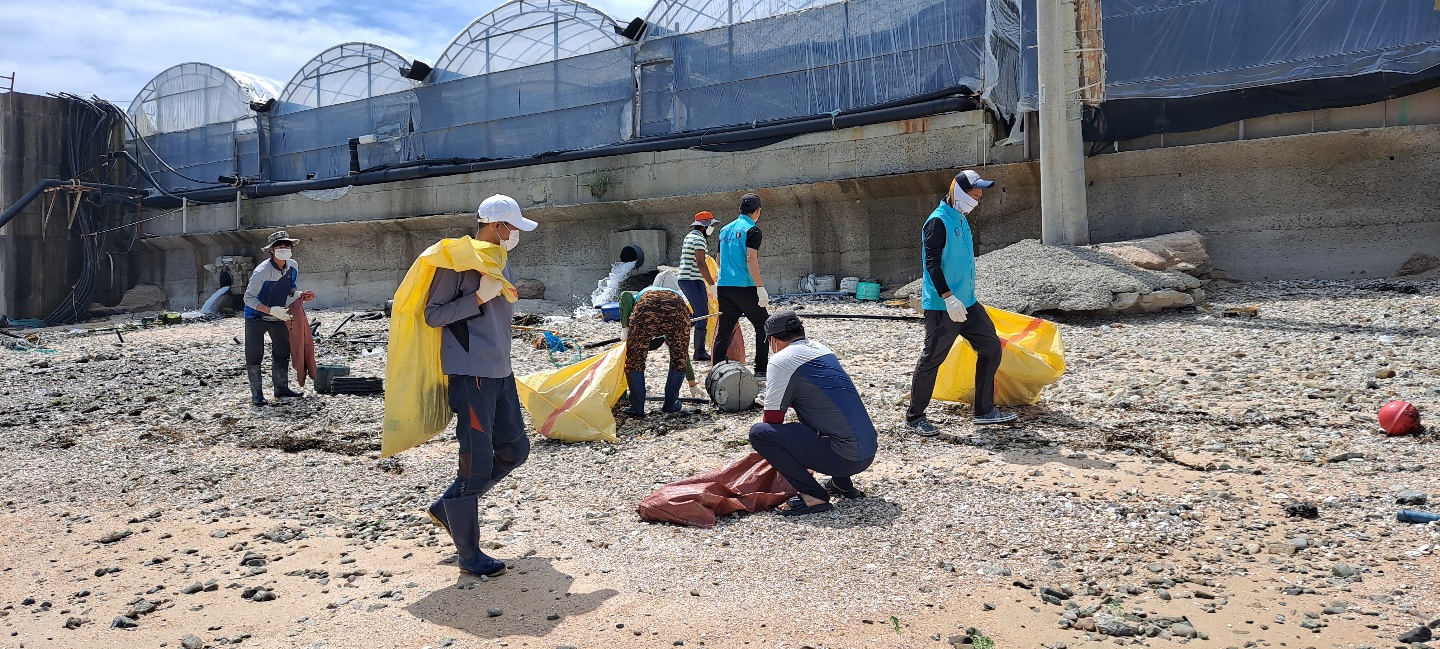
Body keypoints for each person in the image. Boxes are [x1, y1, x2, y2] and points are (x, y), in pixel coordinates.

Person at [421, 195, 536, 578]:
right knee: (477, 460)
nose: (516, 233)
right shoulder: (456, 262)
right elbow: (433, 315)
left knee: (516, 448)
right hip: (471, 375)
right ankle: (469, 554)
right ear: (495, 225)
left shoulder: (499, 260)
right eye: (513, 226)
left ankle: (447, 507)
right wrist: (477, 297)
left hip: (500, 372)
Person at [906, 170, 1017, 436]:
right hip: (943, 306)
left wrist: (962, 299)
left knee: (991, 347)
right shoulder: (937, 222)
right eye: (974, 193)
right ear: (957, 191)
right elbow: (931, 265)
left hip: (968, 303)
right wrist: (948, 297)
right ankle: (915, 417)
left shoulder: (962, 219)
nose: (978, 198)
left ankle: (984, 410)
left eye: (980, 194)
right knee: (933, 358)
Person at [748, 311, 876, 516]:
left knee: (760, 433)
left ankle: (813, 495)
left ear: (773, 340)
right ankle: (842, 483)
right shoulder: (822, 349)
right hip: (867, 452)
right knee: (821, 415)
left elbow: (772, 419)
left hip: (845, 457)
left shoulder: (781, 360)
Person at [242, 230, 315, 406]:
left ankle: (281, 388)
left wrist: (298, 293)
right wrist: (269, 310)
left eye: (286, 246)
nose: (283, 249)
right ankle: (257, 395)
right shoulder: (262, 271)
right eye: (279, 246)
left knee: (282, 353)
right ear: (271, 251)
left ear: (291, 248)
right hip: (256, 317)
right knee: (254, 355)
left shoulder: (293, 266)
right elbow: (248, 298)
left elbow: (290, 286)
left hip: (279, 316)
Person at [618, 273, 703, 417]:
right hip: (678, 308)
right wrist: (692, 383)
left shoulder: (644, 292)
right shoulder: (675, 293)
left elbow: (625, 296)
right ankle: (670, 404)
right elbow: (683, 356)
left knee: (635, 360)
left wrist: (625, 327)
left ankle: (637, 407)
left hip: (647, 307)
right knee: (679, 357)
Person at [712, 193, 771, 379]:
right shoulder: (752, 230)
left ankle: (717, 372)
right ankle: (761, 370)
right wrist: (760, 287)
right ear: (758, 211)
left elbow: (718, 260)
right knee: (763, 325)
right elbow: (751, 258)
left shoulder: (724, 230)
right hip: (745, 287)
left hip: (724, 286)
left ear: (740, 210)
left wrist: (719, 281)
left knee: (724, 331)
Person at [676, 211, 719, 362]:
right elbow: (701, 263)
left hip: (689, 279)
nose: (712, 229)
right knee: (702, 314)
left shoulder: (690, 236)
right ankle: (699, 352)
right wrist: (712, 285)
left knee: (698, 313)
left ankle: (677, 336)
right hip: (691, 280)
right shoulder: (699, 239)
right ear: (705, 226)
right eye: (711, 226)